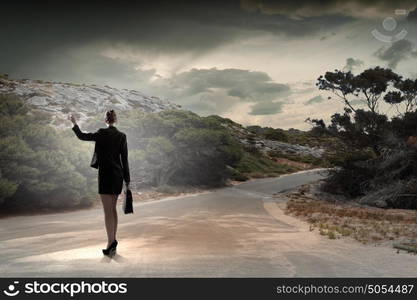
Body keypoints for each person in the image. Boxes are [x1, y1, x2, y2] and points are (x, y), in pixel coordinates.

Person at [68, 110, 130, 257]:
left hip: (105, 174)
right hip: (117, 175)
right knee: (113, 210)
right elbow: (125, 160)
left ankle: (111, 243)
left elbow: (82, 136)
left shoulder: (101, 133)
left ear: (105, 120)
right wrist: (127, 180)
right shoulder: (122, 136)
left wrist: (74, 123)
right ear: (116, 120)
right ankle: (113, 241)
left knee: (107, 211)